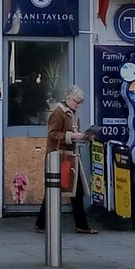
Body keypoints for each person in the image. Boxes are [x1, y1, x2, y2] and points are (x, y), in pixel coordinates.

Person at [34, 85, 97, 234]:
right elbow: (53, 134)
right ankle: (78, 225)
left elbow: (71, 133)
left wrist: (84, 136)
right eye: (76, 101)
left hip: (68, 157)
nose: (78, 105)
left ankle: (78, 225)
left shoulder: (71, 113)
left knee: (71, 191)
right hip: (60, 156)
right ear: (68, 98)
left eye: (80, 102)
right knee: (56, 190)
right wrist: (72, 136)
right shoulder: (59, 113)